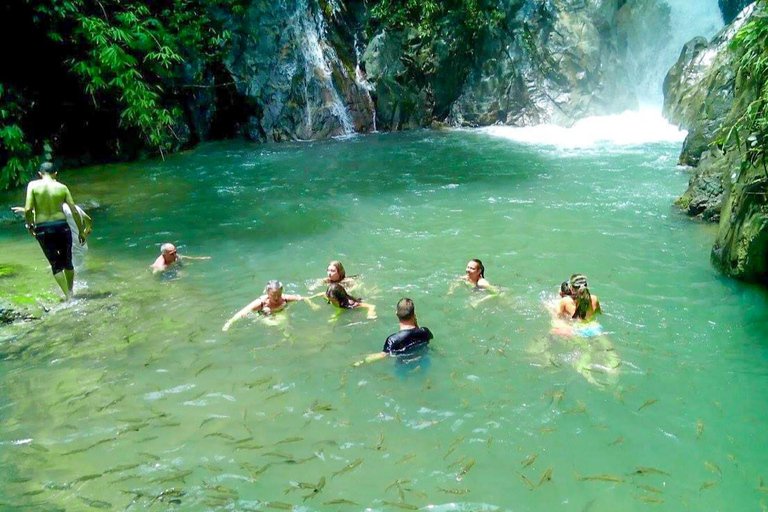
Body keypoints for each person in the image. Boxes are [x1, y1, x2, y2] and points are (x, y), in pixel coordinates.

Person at [23, 162, 85, 300]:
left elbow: (27, 209)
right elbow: (74, 210)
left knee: (55, 264)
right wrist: (81, 230)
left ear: (40, 174)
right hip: (62, 226)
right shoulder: (62, 187)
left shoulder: (33, 186)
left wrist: (30, 225)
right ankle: (71, 290)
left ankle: (67, 296)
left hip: (43, 228)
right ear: (55, 173)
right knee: (68, 261)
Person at [11, 203, 92, 271]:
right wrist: (85, 232)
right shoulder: (74, 207)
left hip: (72, 247)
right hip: (81, 245)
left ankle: (74, 289)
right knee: (75, 269)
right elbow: (88, 219)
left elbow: (41, 215)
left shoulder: (57, 211)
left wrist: (25, 211)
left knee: (72, 272)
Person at [354, 298, 432, 365]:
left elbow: (383, 355)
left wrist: (362, 361)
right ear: (414, 315)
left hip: (403, 369)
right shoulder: (425, 332)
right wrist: (415, 322)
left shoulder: (393, 340)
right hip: (423, 363)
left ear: (396, 314)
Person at [222, 280, 303, 331]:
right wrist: (229, 322)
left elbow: (302, 298)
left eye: (279, 294)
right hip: (265, 316)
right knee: (274, 322)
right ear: (268, 293)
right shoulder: (261, 302)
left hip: (281, 313)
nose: (276, 297)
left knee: (283, 323)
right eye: (273, 295)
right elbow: (243, 312)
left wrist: (313, 304)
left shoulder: (285, 298)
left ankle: (285, 334)